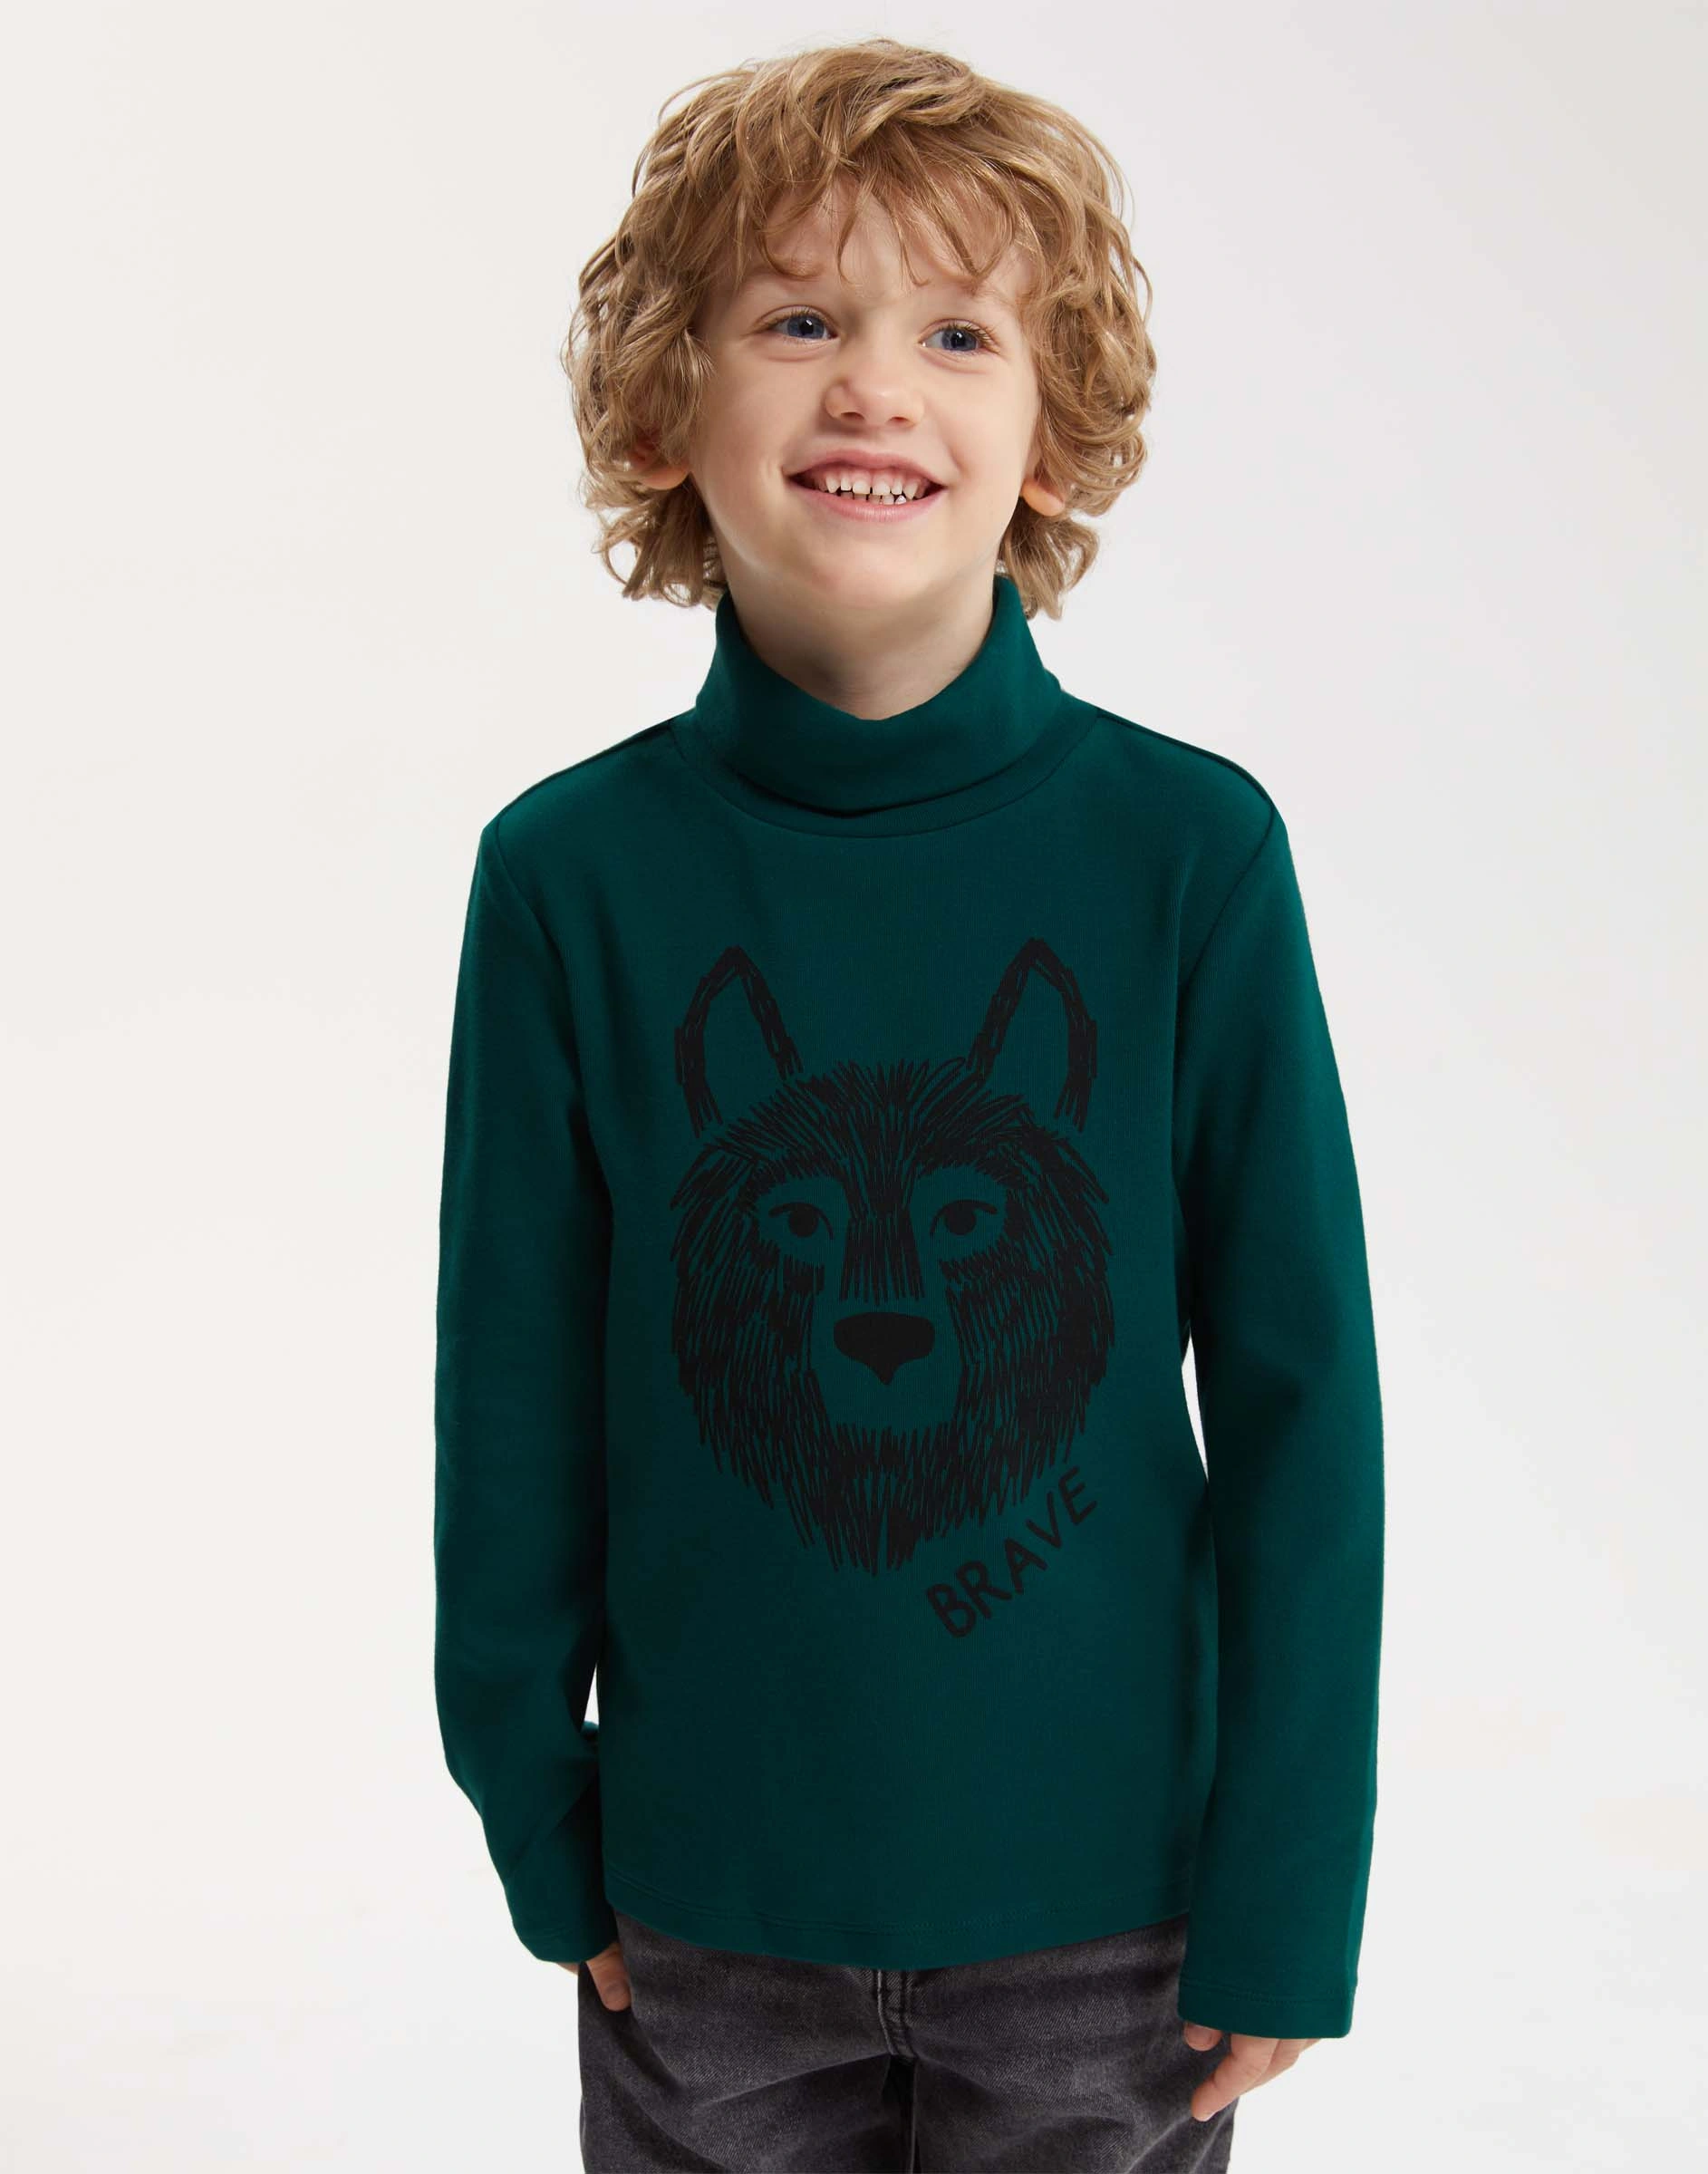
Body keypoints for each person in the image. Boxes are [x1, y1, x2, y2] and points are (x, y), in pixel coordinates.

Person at [433, 36, 1384, 2172]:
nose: (875, 385)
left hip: (1117, 1915)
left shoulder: (1189, 858)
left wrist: (1292, 1881)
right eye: (798, 320)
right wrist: (536, 1811)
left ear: (1053, 440)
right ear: (667, 412)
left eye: (959, 333)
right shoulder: (572, 880)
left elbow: (1302, 1397)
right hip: (702, 1904)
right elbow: (513, 1385)